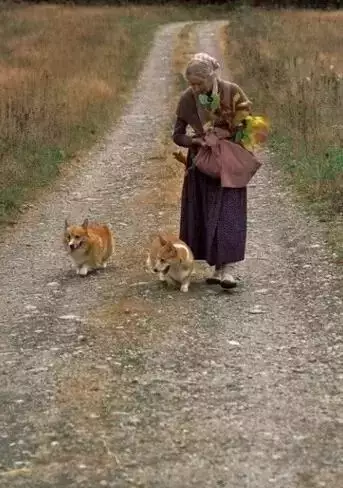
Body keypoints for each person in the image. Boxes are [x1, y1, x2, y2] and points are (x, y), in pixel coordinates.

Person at [172, 52, 252, 289]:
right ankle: (212, 267)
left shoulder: (231, 92)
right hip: (201, 166)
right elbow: (177, 135)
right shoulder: (187, 99)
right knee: (204, 214)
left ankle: (226, 269)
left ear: (211, 77)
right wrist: (196, 142)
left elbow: (249, 126)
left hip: (228, 162)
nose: (195, 88)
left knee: (229, 214)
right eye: (191, 84)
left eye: (199, 83)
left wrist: (229, 137)